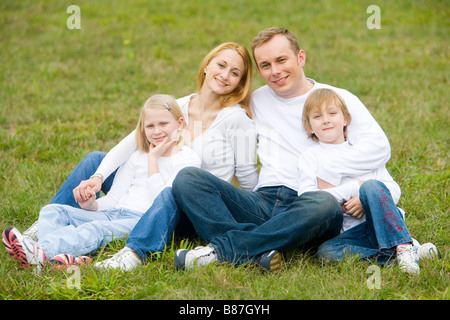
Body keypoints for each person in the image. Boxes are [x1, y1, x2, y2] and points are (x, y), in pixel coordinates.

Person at [15, 42, 258, 272]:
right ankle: (41, 232)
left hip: (185, 207)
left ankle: (56, 247)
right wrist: (99, 178)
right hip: (146, 192)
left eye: (235, 73)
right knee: (95, 160)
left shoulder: (237, 120)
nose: (225, 75)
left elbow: (247, 177)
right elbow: (130, 143)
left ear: (240, 83)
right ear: (207, 65)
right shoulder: (178, 106)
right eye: (221, 65)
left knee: (173, 190)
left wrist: (259, 213)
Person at [172, 27, 393, 273]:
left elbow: (379, 147)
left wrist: (330, 177)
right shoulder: (255, 101)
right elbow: (213, 110)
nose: (275, 71)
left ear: (300, 58)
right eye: (265, 65)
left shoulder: (335, 100)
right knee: (188, 178)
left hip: (310, 204)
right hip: (264, 201)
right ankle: (259, 251)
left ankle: (224, 250)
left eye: (281, 60)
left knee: (324, 203)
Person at [3, 94, 201, 268]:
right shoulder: (138, 154)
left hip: (140, 221)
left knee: (95, 229)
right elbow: (115, 197)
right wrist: (91, 205)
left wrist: (153, 161)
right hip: (115, 213)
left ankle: (41, 251)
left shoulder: (187, 159)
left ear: (180, 123)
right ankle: (57, 257)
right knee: (53, 211)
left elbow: (163, 202)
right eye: (150, 126)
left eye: (164, 124)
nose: (157, 131)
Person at [297, 88, 440, 275]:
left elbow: (392, 190)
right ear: (309, 126)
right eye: (317, 116)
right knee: (326, 253)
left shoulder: (363, 151)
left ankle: (402, 245)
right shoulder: (310, 157)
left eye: (332, 113)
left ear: (345, 119)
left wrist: (364, 199)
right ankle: (404, 252)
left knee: (371, 186)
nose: (325, 120)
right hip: (350, 234)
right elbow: (307, 198)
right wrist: (351, 188)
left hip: (380, 222)